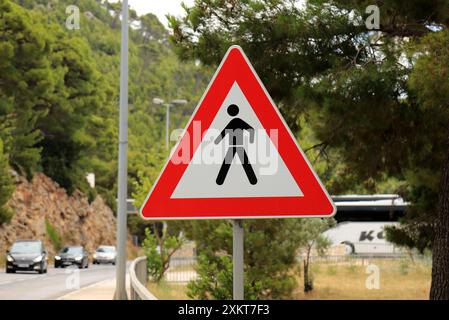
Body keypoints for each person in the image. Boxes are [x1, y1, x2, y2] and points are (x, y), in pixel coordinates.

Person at [214, 104, 258, 185]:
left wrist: (217, 141)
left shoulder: (234, 122)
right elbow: (251, 130)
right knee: (244, 163)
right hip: (237, 147)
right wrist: (251, 141)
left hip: (234, 146)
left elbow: (224, 132)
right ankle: (253, 181)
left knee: (229, 164)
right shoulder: (238, 121)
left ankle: (219, 181)